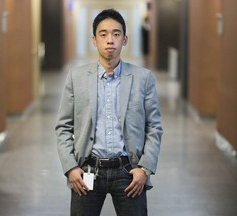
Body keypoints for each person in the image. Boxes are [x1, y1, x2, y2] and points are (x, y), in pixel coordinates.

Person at [55, 8, 163, 216]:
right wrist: (70, 168)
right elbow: (63, 127)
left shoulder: (143, 78)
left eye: (116, 33)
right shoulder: (76, 78)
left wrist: (144, 168)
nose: (110, 40)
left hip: (129, 171)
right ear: (94, 40)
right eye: (103, 34)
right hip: (86, 170)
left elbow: (154, 127)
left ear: (125, 39)